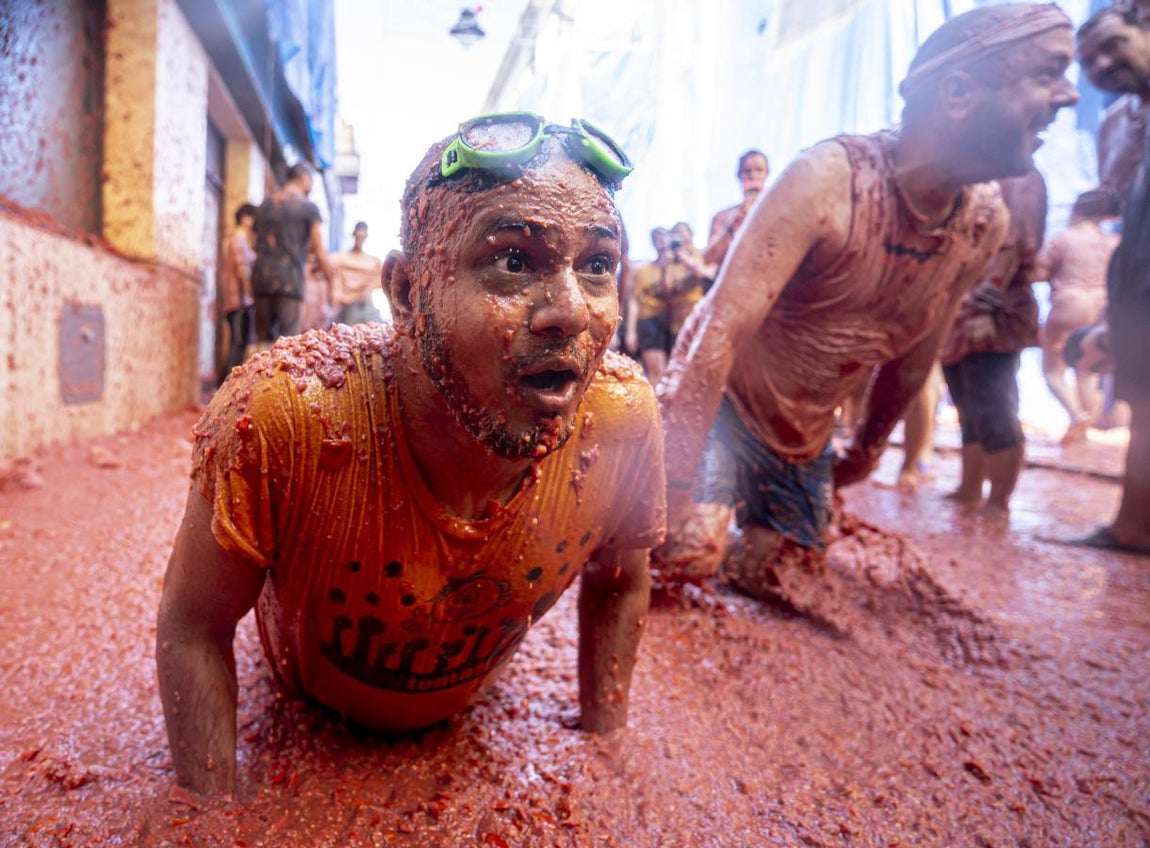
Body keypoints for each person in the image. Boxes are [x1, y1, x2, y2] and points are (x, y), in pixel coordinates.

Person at [156, 112, 666, 795]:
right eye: (513, 261)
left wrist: (608, 750)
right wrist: (212, 817)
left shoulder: (621, 418)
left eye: (597, 265)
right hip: (305, 721)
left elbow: (621, 580)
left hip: (465, 743)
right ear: (404, 293)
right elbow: (192, 626)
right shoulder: (284, 416)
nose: (571, 310)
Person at [652, 4, 1079, 610]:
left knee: (784, 584)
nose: (1068, 96)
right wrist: (673, 473)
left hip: (804, 435)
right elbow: (717, 329)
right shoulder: (829, 179)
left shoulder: (985, 221)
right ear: (958, 92)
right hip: (725, 406)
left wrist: (865, 452)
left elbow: (916, 358)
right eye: (1048, 73)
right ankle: (691, 504)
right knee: (686, 559)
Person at [1070, 3, 1150, 554]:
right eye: (1088, 62)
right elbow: (1116, 202)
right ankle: (1132, 526)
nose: (1100, 65)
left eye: (1113, 45)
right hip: (1136, 278)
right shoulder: (1122, 121)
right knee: (1143, 413)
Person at [940, 168, 1048, 513]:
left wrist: (987, 303)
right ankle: (970, 487)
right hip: (961, 306)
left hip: (995, 308)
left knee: (992, 401)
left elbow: (1015, 243)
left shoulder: (1020, 177)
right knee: (967, 402)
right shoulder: (980, 175)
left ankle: (998, 501)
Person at [1034, 197, 1119, 444]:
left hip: (1070, 303)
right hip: (1101, 306)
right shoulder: (1113, 242)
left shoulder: (1064, 239)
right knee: (1089, 371)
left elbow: (1038, 271)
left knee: (1053, 370)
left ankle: (1076, 414)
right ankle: (1086, 428)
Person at [250, 163, 337, 345]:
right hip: (289, 280)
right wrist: (331, 283)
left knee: (262, 343)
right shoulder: (308, 208)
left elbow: (253, 243)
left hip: (260, 279)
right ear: (305, 179)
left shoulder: (264, 205)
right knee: (287, 345)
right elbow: (320, 251)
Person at [701, 150, 769, 271]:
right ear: (739, 176)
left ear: (766, 174)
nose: (753, 175)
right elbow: (708, 259)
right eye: (747, 171)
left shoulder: (779, 214)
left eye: (759, 170)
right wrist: (735, 220)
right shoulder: (722, 217)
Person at [217, 203, 256, 382]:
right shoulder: (238, 240)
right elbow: (242, 270)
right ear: (245, 218)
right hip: (239, 302)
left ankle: (226, 385)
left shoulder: (243, 241)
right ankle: (226, 387)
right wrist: (251, 293)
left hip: (241, 302)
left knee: (238, 345)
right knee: (237, 345)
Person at [331, 221, 387, 326]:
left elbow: (382, 281)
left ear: (366, 237)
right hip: (349, 307)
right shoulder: (341, 259)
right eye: (358, 236)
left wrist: (365, 289)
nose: (360, 239)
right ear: (354, 235)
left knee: (378, 332)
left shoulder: (373, 262)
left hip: (368, 305)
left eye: (362, 236)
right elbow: (332, 275)